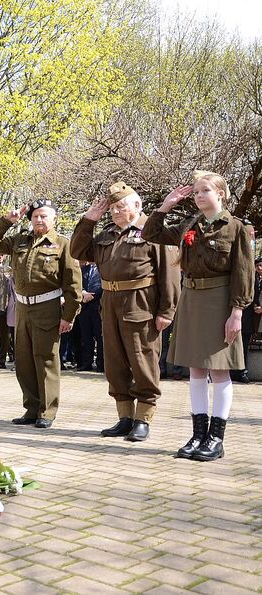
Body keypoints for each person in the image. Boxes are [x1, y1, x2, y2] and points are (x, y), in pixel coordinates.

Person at [143, 171, 253, 461]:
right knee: (195, 369)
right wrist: (165, 206)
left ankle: (216, 438)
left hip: (220, 300)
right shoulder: (188, 225)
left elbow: (244, 274)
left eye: (205, 190)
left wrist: (237, 313)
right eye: (196, 192)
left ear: (221, 194)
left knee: (219, 370)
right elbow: (150, 234)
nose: (199, 196)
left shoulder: (236, 228)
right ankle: (198, 434)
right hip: (191, 298)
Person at [71, 182, 181, 442]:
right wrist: (88, 221)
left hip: (141, 303)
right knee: (115, 363)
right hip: (110, 303)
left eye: (121, 207)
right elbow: (77, 251)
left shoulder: (152, 232)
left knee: (143, 362)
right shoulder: (107, 234)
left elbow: (170, 273)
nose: (116, 212)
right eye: (112, 209)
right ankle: (125, 417)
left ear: (137, 205)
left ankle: (143, 418)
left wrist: (166, 310)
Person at [0, 199, 82, 428]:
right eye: (36, 216)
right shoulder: (19, 240)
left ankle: (47, 412)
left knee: (46, 359)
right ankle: (31, 408)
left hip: (47, 308)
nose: (39, 219)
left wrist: (68, 316)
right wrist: (7, 221)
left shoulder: (63, 245)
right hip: (22, 308)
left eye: (44, 216)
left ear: (54, 218)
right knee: (24, 361)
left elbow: (73, 286)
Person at [231, 225, 258, 384]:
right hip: (231, 309)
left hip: (247, 313)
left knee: (244, 344)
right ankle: (229, 370)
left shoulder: (253, 272)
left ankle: (242, 370)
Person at [77, 261, 103, 373]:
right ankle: (86, 363)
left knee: (100, 337)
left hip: (97, 308)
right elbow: (77, 283)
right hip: (84, 309)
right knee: (86, 337)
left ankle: (101, 364)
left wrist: (92, 296)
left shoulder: (102, 269)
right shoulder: (83, 269)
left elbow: (103, 285)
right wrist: (83, 293)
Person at [0, 251, 14, 369]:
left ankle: (2, 361)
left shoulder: (9, 270)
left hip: (7, 307)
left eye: (2, 254)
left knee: (5, 336)